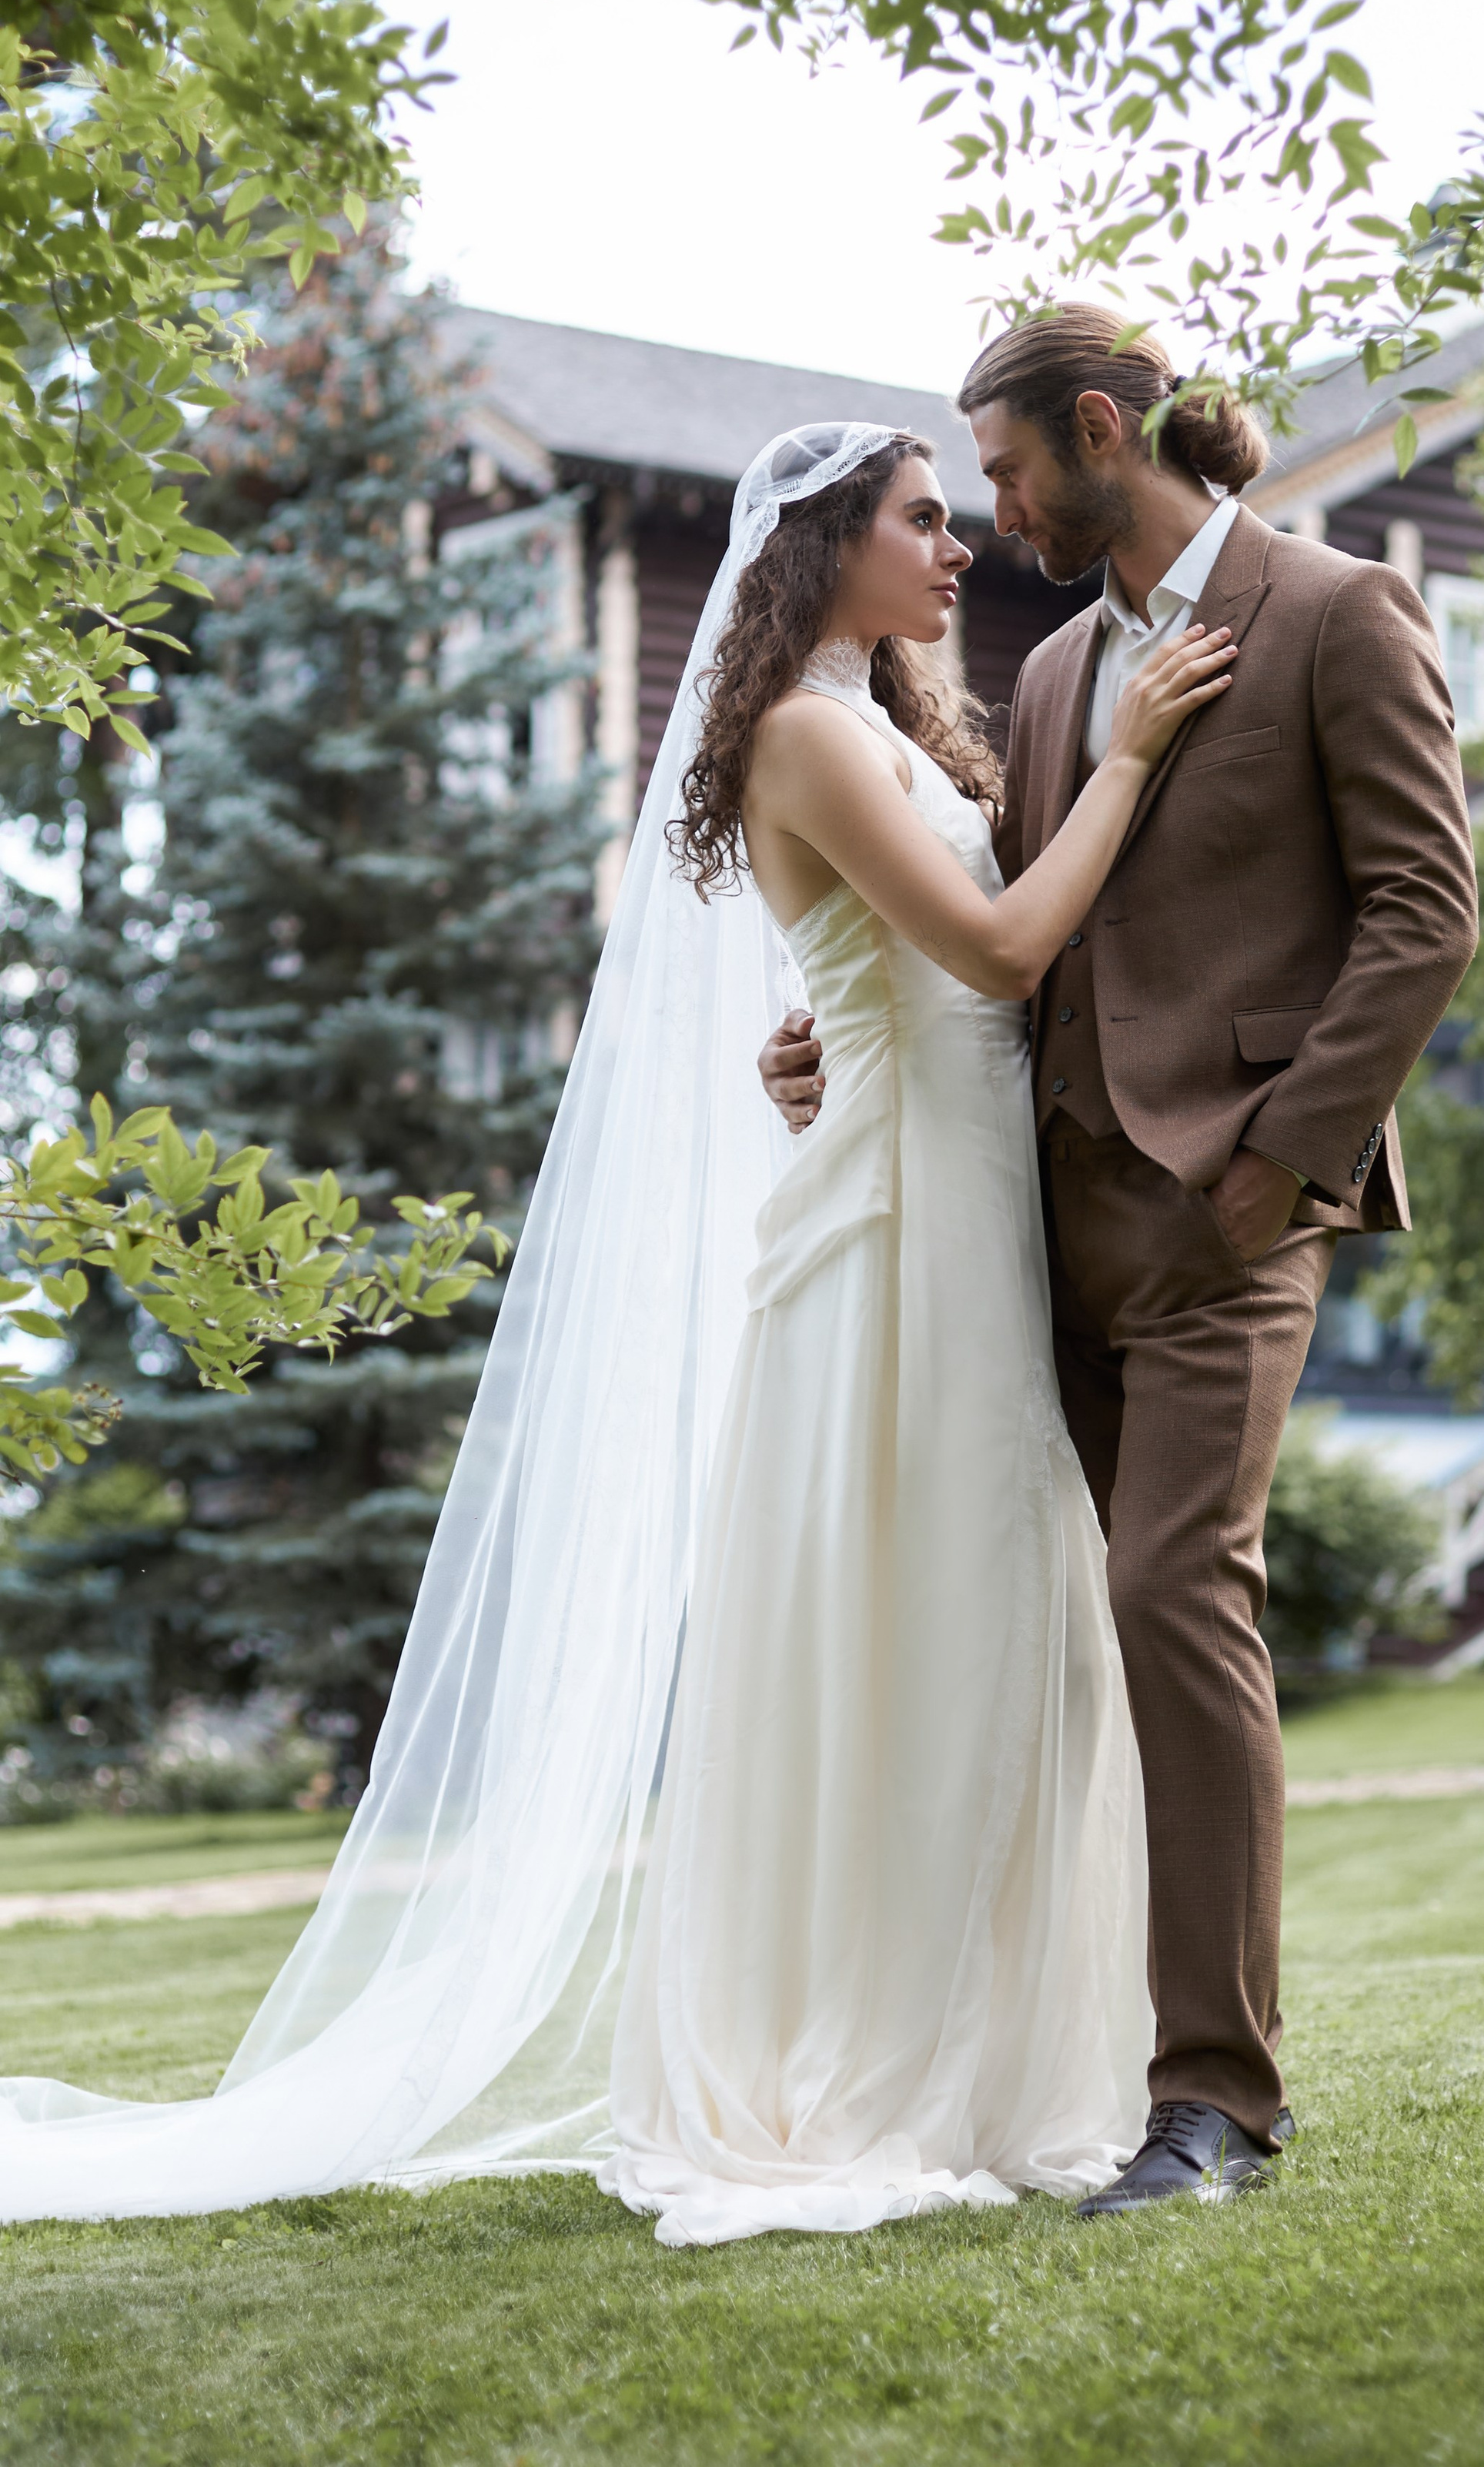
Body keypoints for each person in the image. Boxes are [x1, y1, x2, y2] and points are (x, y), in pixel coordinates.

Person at [0, 420, 1224, 2247]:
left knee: (992, 1627)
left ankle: (976, 2054)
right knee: (926, 1629)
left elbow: (895, 978)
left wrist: (833, 1033)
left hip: (961, 1206)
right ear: (822, 546)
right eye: (917, 518)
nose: (956, 544)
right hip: (901, 1240)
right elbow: (991, 952)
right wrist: (1131, 760)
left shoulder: (872, 721)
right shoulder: (809, 729)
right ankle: (873, 2060)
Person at [762, 312, 1479, 2214]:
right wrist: (832, 1037)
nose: (990, 519)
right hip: (1035, 1231)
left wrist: (1284, 1164)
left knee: (1175, 1592)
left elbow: (1424, 916)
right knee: (1063, 1644)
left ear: (1099, 430)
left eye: (1003, 475)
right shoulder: (1065, 660)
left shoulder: (1339, 611)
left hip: (1228, 1219)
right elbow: (1012, 931)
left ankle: (1217, 2102)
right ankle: (1027, 2057)